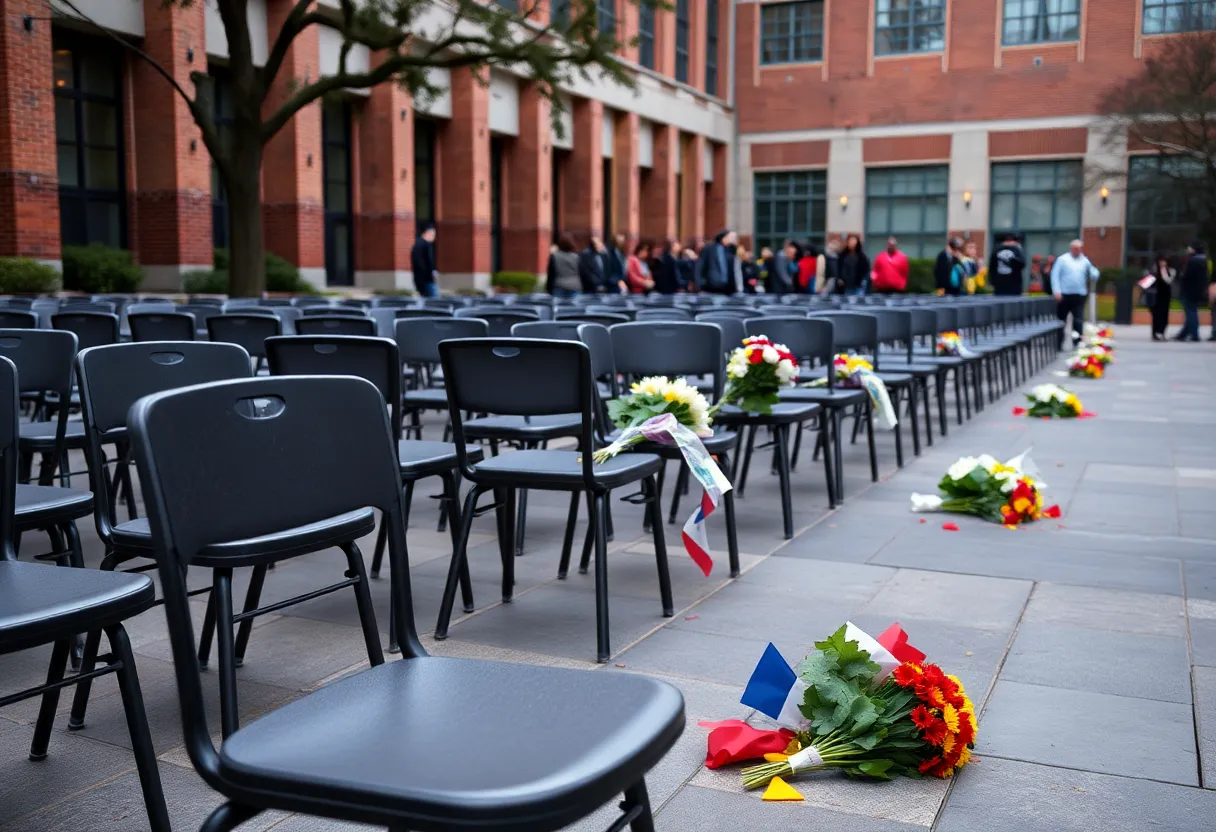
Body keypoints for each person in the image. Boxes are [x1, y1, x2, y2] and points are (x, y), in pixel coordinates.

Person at [1051, 239, 1099, 349]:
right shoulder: (1062, 259)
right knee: (1061, 320)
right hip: (1064, 294)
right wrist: (1056, 290)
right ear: (1071, 249)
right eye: (1075, 249)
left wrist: (1094, 273)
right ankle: (1058, 344)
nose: (1077, 251)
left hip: (1079, 294)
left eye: (1079, 249)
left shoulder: (1085, 261)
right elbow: (1055, 275)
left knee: (1078, 320)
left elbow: (1093, 274)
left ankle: (1077, 343)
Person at [1176, 241, 1209, 342]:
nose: (1188, 249)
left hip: (1190, 291)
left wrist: (1181, 276)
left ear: (1194, 249)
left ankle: (1194, 334)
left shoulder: (1193, 261)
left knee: (1191, 312)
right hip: (1197, 290)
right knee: (1190, 312)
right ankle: (1183, 334)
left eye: (1190, 248)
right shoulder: (1203, 260)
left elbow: (1187, 276)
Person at [1143, 252, 1175, 341]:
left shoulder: (1171, 271)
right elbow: (1146, 283)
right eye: (1161, 261)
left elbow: (1168, 280)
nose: (1162, 263)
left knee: (1164, 315)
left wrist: (1163, 270)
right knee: (1156, 315)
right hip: (1155, 295)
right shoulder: (1153, 270)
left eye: (1164, 261)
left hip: (1165, 296)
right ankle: (1155, 333)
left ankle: (1162, 332)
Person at [696, 229, 735, 294]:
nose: (731, 240)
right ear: (723, 237)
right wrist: (699, 284)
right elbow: (699, 267)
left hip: (726, 288)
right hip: (710, 287)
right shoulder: (709, 249)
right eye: (729, 237)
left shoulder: (730, 250)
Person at [546, 233, 582, 298]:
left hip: (559, 286)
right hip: (574, 286)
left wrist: (548, 288)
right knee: (574, 304)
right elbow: (581, 272)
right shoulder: (576, 257)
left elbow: (551, 273)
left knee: (558, 304)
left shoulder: (554, 256)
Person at [411, 222, 439, 298]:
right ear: (428, 233)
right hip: (427, 280)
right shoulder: (426, 245)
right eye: (433, 235)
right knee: (435, 301)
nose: (434, 237)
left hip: (419, 280)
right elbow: (429, 262)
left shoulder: (416, 244)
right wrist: (432, 274)